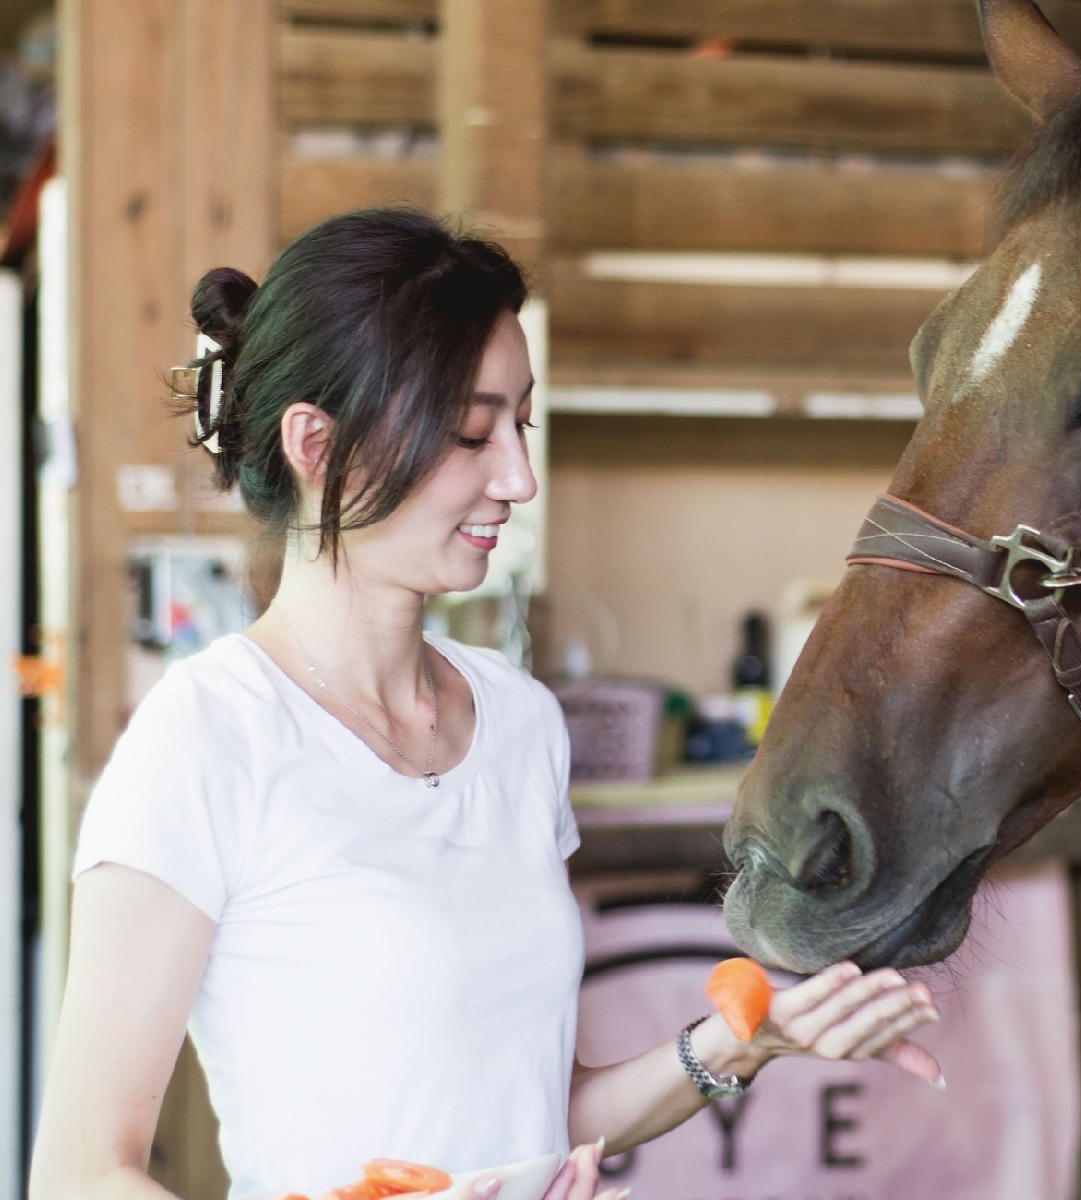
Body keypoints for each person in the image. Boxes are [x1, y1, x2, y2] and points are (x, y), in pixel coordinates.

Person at [28, 208, 943, 1200]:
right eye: (471, 432)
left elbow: (532, 1115)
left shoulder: (518, 722)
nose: (520, 475)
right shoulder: (209, 736)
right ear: (316, 443)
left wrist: (747, 1039)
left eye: (522, 422)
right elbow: (82, 1174)